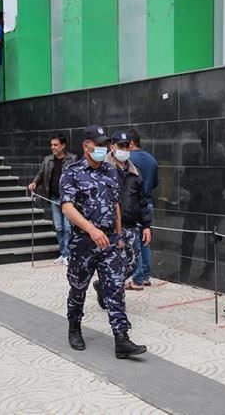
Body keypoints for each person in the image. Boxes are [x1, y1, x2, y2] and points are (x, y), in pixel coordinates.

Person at [60, 125, 146, 359]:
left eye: (105, 144)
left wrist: (118, 236)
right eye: (97, 144)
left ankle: (122, 339)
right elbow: (67, 207)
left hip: (109, 242)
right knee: (78, 288)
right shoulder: (72, 172)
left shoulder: (110, 171)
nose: (102, 148)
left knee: (116, 289)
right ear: (86, 145)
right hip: (83, 243)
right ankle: (74, 328)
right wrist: (91, 230)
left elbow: (115, 204)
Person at [106, 131, 152, 287]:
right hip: (110, 228)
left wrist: (146, 226)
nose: (124, 149)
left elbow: (142, 200)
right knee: (112, 266)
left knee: (131, 264)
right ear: (112, 147)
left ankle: (110, 287)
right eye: (121, 146)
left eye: (127, 146)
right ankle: (112, 293)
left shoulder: (135, 171)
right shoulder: (104, 169)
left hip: (131, 226)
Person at [27, 134, 77, 265]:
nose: (53, 147)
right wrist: (34, 183)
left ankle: (67, 254)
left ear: (63, 145)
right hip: (54, 198)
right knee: (59, 227)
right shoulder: (47, 160)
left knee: (68, 227)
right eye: (52, 145)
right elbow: (41, 173)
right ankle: (63, 253)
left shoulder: (72, 159)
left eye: (55, 145)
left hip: (68, 200)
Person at [127, 129, 159, 290]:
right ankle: (145, 276)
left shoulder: (129, 159)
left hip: (135, 205)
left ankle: (137, 279)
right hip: (148, 203)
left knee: (136, 242)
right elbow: (155, 183)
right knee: (145, 241)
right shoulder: (152, 159)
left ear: (131, 143)